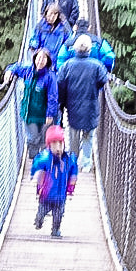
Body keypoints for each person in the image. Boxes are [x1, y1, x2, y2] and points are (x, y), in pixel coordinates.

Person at [57, 34, 109, 173]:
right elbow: (104, 80)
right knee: (88, 136)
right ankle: (86, 164)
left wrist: (61, 102)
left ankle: (72, 161)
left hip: (72, 107)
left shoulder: (67, 65)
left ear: (74, 49)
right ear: (90, 49)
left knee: (73, 135)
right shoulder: (97, 65)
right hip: (91, 106)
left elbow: (60, 83)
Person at [4, 49, 59, 161]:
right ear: (34, 59)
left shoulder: (50, 77)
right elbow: (16, 67)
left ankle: (44, 163)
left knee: (44, 139)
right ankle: (34, 160)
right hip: (29, 113)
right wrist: (9, 70)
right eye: (38, 58)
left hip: (43, 114)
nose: (40, 61)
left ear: (47, 61)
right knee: (33, 138)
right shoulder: (28, 71)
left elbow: (53, 97)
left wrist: (50, 114)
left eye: (44, 59)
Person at [31, 125, 78, 238]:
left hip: (60, 196)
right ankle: (39, 219)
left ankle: (55, 230)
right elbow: (37, 166)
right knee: (42, 211)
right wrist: (36, 177)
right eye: (54, 144)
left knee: (58, 215)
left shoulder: (68, 159)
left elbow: (73, 170)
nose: (58, 148)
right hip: (46, 195)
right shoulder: (45, 158)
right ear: (49, 146)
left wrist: (72, 184)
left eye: (60, 144)